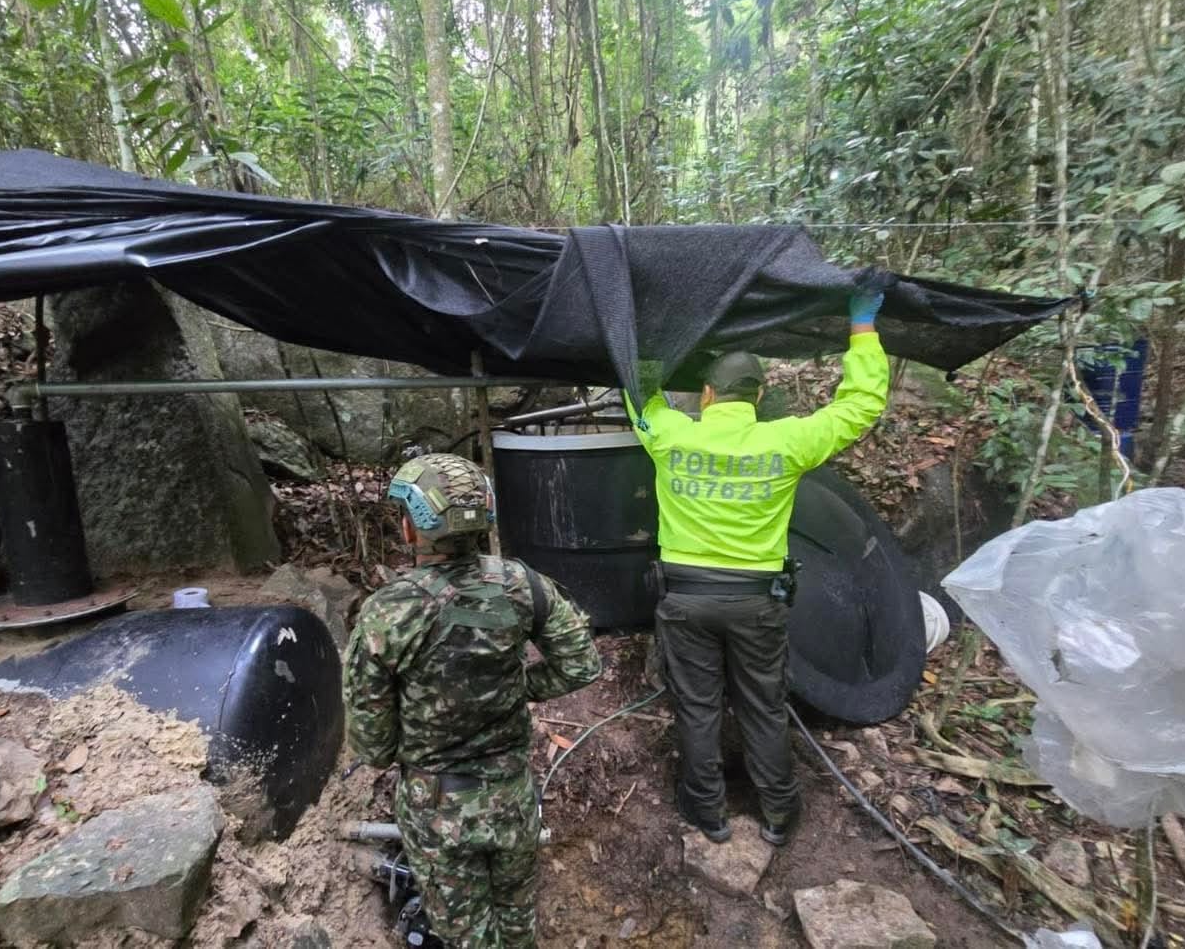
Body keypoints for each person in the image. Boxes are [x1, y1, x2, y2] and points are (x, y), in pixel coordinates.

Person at [628, 292, 889, 847]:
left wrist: (644, 328)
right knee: (763, 706)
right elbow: (861, 405)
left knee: (698, 707)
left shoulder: (672, 435)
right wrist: (862, 325)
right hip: (756, 603)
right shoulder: (787, 440)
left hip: (686, 600)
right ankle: (777, 814)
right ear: (761, 395)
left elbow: (638, 390)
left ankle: (707, 813)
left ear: (705, 395)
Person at [344, 452, 601, 948]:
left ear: (411, 527)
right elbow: (581, 663)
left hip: (437, 809)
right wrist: (514, 688)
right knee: (517, 919)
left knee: (466, 936)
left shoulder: (387, 613)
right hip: (513, 800)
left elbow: (373, 746)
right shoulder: (524, 585)